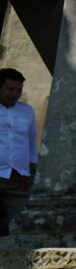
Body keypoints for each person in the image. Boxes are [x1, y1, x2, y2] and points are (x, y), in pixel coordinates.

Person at [0, 68, 37, 237]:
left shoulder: (27, 111)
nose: (15, 93)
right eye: (10, 89)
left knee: (18, 224)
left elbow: (31, 140)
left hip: (18, 178)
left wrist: (31, 170)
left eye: (18, 90)